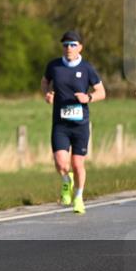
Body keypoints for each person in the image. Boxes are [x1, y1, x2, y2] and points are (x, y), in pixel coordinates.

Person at [41, 30, 106, 215]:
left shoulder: (87, 68)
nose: (68, 48)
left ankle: (78, 197)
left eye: (72, 45)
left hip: (80, 125)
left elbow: (102, 91)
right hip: (60, 124)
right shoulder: (54, 66)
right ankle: (66, 181)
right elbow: (45, 81)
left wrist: (89, 98)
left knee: (77, 164)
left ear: (80, 47)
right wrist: (47, 93)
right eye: (65, 45)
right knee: (62, 163)